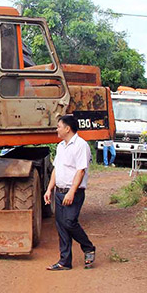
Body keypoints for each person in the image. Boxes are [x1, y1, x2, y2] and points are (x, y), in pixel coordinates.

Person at [44, 115, 96, 271]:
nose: (57, 129)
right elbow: (56, 170)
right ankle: (64, 261)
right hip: (59, 192)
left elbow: (80, 171)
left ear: (67, 128)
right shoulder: (60, 146)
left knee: (69, 222)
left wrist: (71, 192)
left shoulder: (81, 146)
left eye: (59, 126)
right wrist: (49, 189)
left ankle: (88, 247)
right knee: (61, 226)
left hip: (74, 192)